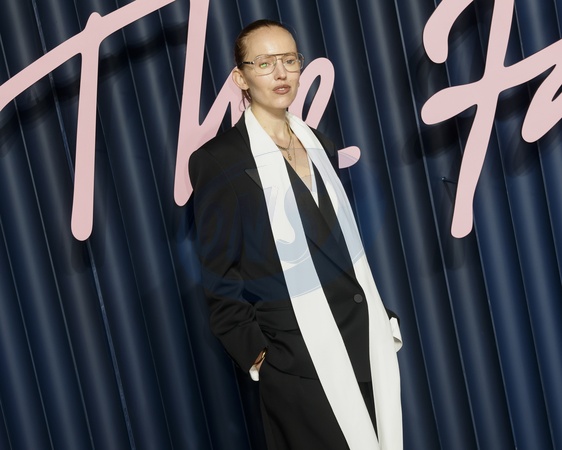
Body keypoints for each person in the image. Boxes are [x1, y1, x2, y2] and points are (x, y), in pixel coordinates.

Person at [189, 19, 403, 450]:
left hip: (364, 344)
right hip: (298, 365)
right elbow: (220, 279)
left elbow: (339, 245)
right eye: (264, 63)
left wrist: (380, 316)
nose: (281, 73)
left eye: (289, 60)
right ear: (241, 77)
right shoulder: (218, 160)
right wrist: (263, 357)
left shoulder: (319, 143)